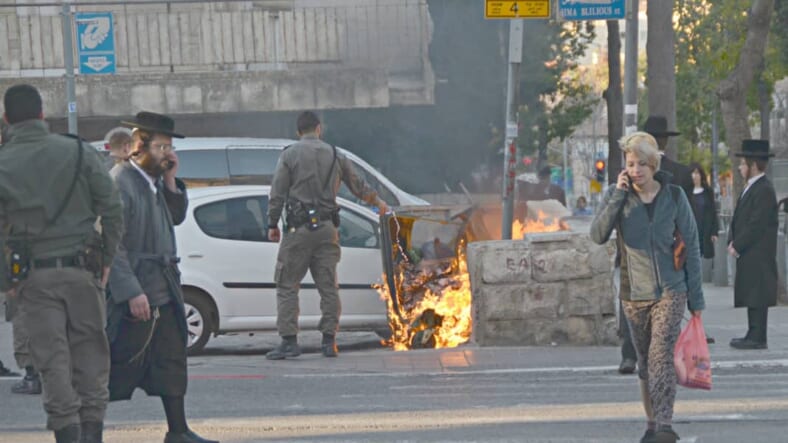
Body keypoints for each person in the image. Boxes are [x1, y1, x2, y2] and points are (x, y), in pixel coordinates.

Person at [0, 84, 123, 443]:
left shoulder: (3, 162)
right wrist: (107, 259)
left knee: (51, 362)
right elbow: (113, 208)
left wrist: (6, 282)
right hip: (83, 269)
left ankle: (67, 435)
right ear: (43, 115)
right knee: (91, 357)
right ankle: (92, 434)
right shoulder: (78, 151)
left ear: (6, 120)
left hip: (32, 278)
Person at [106, 111, 217, 443]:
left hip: (163, 285)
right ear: (138, 146)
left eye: (169, 147)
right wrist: (131, 291)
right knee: (116, 361)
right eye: (161, 147)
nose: (168, 154)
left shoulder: (153, 181)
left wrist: (171, 180)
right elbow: (111, 243)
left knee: (171, 358)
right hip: (136, 285)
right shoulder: (120, 181)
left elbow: (176, 216)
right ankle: (86, 430)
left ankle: (178, 431)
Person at [591, 132, 704, 443]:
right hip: (634, 293)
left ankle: (665, 425)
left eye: (642, 163)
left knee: (660, 357)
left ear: (654, 164)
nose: (636, 170)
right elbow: (597, 235)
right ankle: (652, 423)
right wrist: (617, 195)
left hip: (671, 290)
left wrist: (696, 299)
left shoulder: (674, 196)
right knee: (644, 363)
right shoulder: (619, 196)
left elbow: (692, 245)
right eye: (630, 164)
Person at [266, 111, 388, 359]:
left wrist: (272, 223)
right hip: (327, 229)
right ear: (319, 128)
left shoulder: (289, 155)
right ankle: (329, 342)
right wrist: (378, 202)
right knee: (328, 286)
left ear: (298, 131)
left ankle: (289, 342)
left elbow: (277, 192)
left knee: (287, 284)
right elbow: (358, 185)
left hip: (298, 230)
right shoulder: (336, 154)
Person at [617, 114, 694, 375]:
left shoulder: (633, 174)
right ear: (666, 142)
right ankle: (652, 364)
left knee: (636, 308)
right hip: (669, 254)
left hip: (640, 257)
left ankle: (632, 357)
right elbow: (690, 222)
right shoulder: (681, 172)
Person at [728, 139, 778, 350]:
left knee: (758, 292)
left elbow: (756, 223)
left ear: (754, 165)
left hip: (759, 252)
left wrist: (738, 244)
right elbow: (741, 217)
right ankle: (752, 331)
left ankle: (758, 336)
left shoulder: (764, 189)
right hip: (751, 253)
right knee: (752, 291)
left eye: (743, 164)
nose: (740, 167)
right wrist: (732, 239)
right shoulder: (753, 187)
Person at [688, 163, 720, 260]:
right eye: (692, 173)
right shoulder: (686, 192)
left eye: (697, 173)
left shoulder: (708, 191)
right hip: (691, 231)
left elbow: (713, 211)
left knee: (705, 261)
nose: (694, 176)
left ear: (701, 175)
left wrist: (714, 231)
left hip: (705, 230)